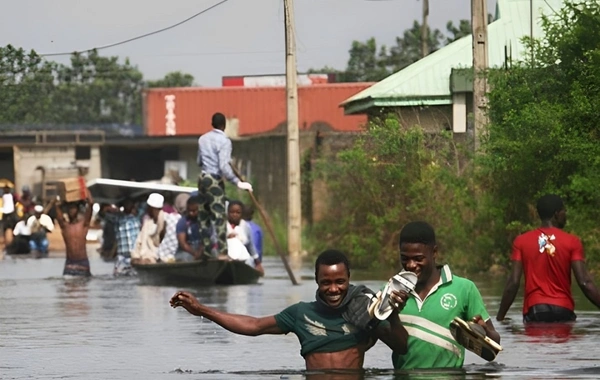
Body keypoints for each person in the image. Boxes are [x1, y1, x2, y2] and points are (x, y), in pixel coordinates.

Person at [170, 249, 408, 371]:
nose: (333, 289)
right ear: (316, 280)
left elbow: (401, 346)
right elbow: (254, 326)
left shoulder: (365, 311)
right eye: (326, 282)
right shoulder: (301, 314)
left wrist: (392, 314)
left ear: (349, 278)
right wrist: (202, 310)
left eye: (340, 282)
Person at [391, 221, 501, 370]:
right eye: (405, 258)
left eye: (418, 259)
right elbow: (370, 340)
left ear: (434, 252)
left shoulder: (464, 289)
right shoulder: (392, 292)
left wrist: (483, 333)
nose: (411, 265)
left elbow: (493, 349)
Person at [496, 194, 600, 323]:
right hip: (563, 309)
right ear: (556, 214)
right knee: (563, 340)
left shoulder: (521, 241)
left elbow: (513, 283)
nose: (565, 215)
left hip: (535, 310)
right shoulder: (572, 242)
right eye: (564, 211)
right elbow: (584, 282)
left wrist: (500, 317)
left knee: (536, 340)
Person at [196, 112, 253, 258]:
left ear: (212, 123)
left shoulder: (202, 139)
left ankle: (207, 252)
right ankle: (222, 252)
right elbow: (224, 165)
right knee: (219, 216)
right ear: (224, 125)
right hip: (214, 179)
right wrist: (237, 182)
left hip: (202, 178)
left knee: (204, 216)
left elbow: (199, 162)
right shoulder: (224, 141)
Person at [55, 192, 94, 276]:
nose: (71, 211)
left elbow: (90, 206)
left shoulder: (83, 225)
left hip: (82, 262)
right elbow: (59, 215)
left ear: (77, 209)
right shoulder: (65, 226)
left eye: (73, 208)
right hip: (70, 263)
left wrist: (85, 192)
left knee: (84, 287)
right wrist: (58, 202)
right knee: (68, 288)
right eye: (69, 209)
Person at [226, 200, 264, 275]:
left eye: (238, 213)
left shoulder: (245, 227)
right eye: (232, 212)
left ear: (242, 214)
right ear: (228, 213)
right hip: (227, 257)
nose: (235, 215)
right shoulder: (223, 226)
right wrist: (227, 237)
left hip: (242, 258)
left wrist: (258, 263)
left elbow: (251, 247)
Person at [105, 198, 141, 275]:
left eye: (129, 204)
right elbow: (104, 214)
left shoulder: (137, 219)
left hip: (134, 256)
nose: (128, 205)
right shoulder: (118, 218)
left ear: (133, 205)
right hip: (122, 257)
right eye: (126, 204)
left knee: (135, 278)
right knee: (118, 278)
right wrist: (116, 207)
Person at [131, 193, 166, 265]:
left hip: (155, 258)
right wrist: (136, 256)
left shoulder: (163, 220)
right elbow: (140, 241)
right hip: (142, 256)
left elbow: (159, 243)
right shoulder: (147, 221)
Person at [174, 196, 203, 262]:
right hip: (187, 251)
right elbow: (183, 244)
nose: (191, 213)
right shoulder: (182, 222)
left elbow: (206, 239)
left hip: (201, 249)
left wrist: (200, 252)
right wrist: (195, 253)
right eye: (189, 210)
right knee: (185, 258)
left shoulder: (204, 222)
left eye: (194, 211)